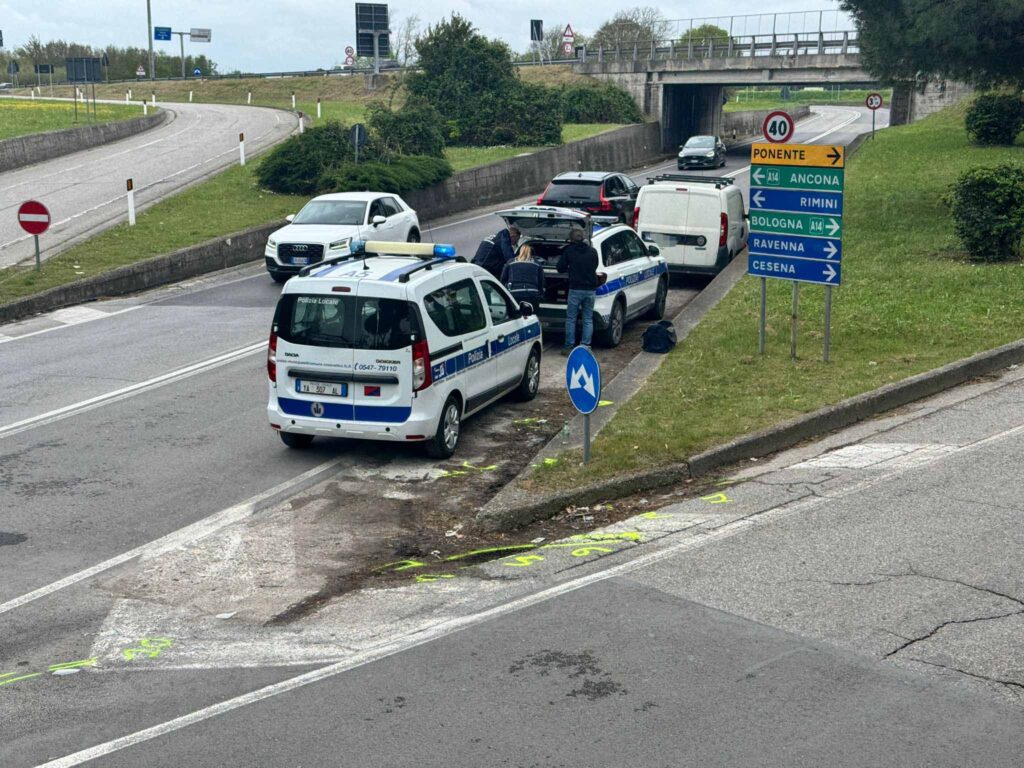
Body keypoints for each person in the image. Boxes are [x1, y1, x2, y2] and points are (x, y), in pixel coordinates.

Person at [556, 228, 599, 355]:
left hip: (575, 289)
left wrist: (570, 267)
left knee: (571, 319)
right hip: (590, 290)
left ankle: (569, 346)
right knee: (588, 319)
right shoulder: (592, 251)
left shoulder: (569, 251)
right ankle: (585, 346)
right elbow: (595, 265)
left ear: (571, 240)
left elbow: (560, 268)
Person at [500, 243, 545, 308]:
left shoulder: (510, 262)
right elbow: (541, 281)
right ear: (532, 254)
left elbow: (503, 279)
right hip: (532, 293)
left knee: (515, 312)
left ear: (519, 252)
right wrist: (541, 294)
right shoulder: (537, 264)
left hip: (514, 293)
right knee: (532, 312)